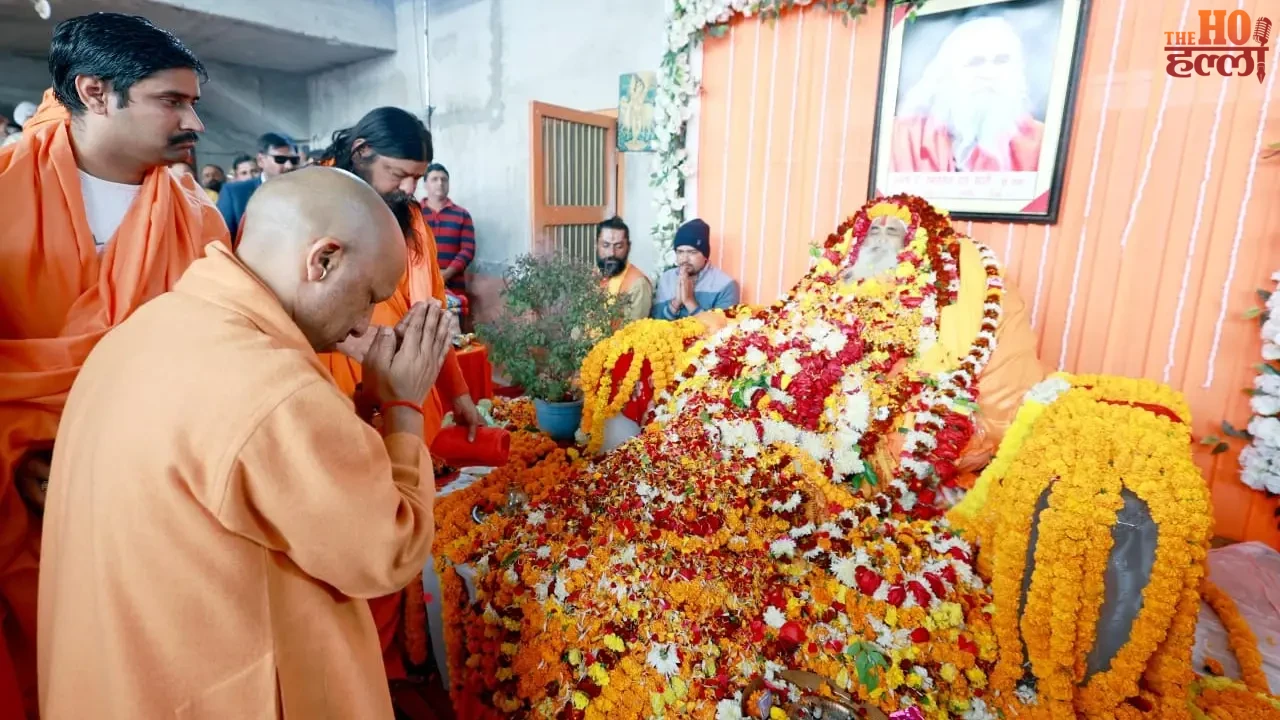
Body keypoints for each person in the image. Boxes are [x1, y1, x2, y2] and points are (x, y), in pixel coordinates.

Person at [38, 168, 445, 719]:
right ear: (321, 261)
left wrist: (365, 403)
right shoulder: (273, 385)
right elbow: (386, 550)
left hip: (116, 681)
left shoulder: (146, 328)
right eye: (370, 295)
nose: (366, 320)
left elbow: (260, 487)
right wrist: (402, 406)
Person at [0, 12, 227, 718]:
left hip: (149, 495)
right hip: (17, 490)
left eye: (194, 102)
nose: (193, 120)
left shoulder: (203, 218)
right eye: (171, 101)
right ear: (95, 92)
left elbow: (218, 367)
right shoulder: (4, 191)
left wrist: (114, 459)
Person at [317, 106, 484, 688]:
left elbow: (430, 314)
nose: (410, 189)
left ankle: (398, 662)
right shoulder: (308, 203)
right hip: (334, 413)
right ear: (360, 150)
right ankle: (364, 676)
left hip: (405, 409)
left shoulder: (410, 219)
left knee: (401, 544)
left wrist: (459, 394)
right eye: (399, 174)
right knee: (352, 561)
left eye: (417, 177)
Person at [891, 15, 1044, 173]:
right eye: (975, 62)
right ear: (947, 75)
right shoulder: (902, 136)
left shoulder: (1040, 140)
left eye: (1001, 61)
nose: (989, 73)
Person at [651, 218, 740, 319]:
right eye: (680, 252)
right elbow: (655, 323)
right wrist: (676, 303)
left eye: (692, 252)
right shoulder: (666, 279)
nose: (684, 258)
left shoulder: (726, 285)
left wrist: (689, 301)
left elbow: (722, 330)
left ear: (705, 255)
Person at [216, 131, 298, 237]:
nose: (289, 166)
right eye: (280, 159)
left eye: (294, 160)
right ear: (260, 160)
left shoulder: (307, 192)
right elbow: (221, 240)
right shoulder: (235, 193)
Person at [420, 162, 475, 295]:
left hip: (453, 289)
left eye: (444, 179)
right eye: (434, 179)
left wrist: (446, 274)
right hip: (420, 286)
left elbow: (468, 250)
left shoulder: (462, 215)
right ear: (425, 185)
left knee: (452, 316)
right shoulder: (414, 213)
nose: (440, 183)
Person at [596, 215, 652, 322]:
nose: (611, 253)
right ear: (596, 245)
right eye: (606, 245)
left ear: (628, 247)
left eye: (618, 246)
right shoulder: (591, 275)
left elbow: (633, 333)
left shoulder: (638, 283)